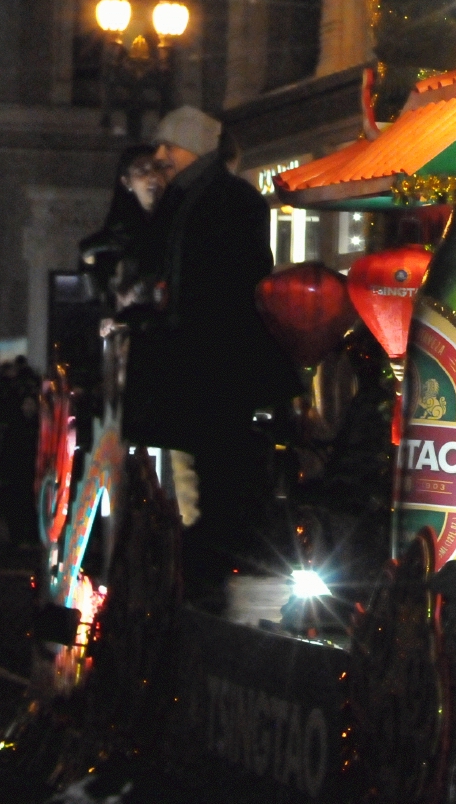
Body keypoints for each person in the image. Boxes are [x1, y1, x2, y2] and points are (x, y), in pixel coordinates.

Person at [123, 106, 293, 600]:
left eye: (168, 148)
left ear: (194, 149)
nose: (160, 157)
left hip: (214, 363)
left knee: (217, 467)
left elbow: (236, 280)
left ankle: (210, 564)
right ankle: (199, 560)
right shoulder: (188, 199)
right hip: (199, 362)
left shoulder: (226, 200)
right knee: (197, 468)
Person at [79, 143, 164, 315]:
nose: (153, 176)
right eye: (142, 170)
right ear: (127, 181)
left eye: (158, 168)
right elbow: (93, 296)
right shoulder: (116, 235)